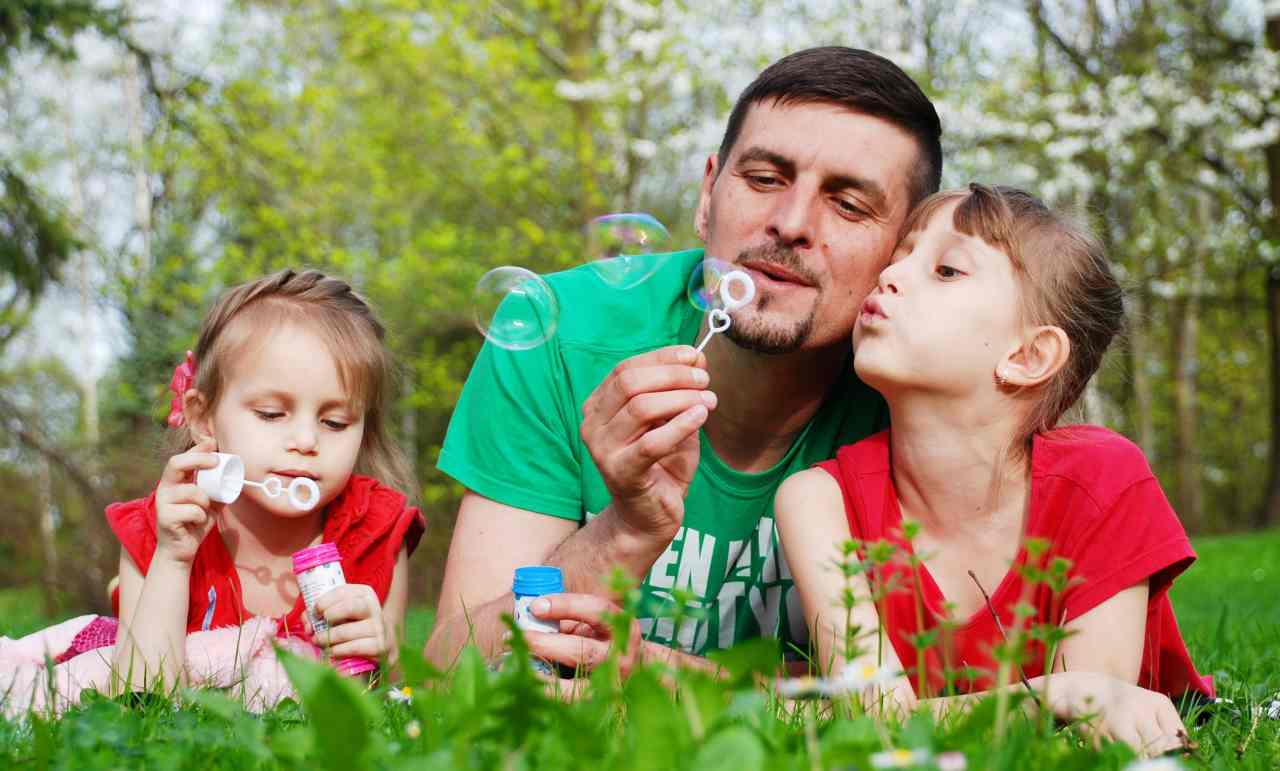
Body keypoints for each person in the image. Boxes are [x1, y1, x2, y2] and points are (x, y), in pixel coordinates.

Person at [426, 47, 942, 675]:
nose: (790, 223)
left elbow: (923, 703)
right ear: (707, 195)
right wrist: (624, 532)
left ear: (903, 253)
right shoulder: (553, 330)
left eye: (849, 204)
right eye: (764, 179)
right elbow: (449, 669)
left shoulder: (922, 392)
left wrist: (671, 683)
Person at [775, 184, 1213, 754]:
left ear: (1027, 356)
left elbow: (1092, 727)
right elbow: (875, 716)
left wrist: (1077, 696)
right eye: (899, 254)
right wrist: (1051, 693)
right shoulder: (815, 499)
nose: (891, 275)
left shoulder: (1102, 480)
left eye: (946, 270)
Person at [2, 269, 425, 712]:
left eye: (335, 422)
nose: (306, 441)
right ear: (204, 418)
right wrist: (173, 558)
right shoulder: (159, 529)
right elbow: (140, 697)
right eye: (270, 413)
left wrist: (384, 654)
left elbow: (392, 702)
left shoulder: (376, 531)